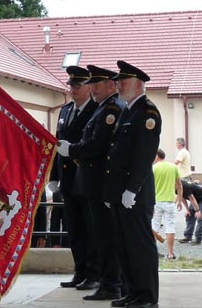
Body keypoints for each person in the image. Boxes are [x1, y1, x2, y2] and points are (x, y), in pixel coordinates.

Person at [57, 65, 126, 301]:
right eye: (92, 85)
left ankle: (106, 281)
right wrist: (56, 176)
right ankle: (91, 275)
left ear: (109, 85)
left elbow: (96, 145)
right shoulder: (72, 110)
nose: (92, 89)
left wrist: (72, 150)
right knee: (81, 232)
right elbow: (60, 145)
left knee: (102, 235)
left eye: (95, 85)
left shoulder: (108, 109)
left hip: (98, 181)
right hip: (79, 180)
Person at [104, 60, 162, 308]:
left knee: (140, 246)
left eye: (122, 82)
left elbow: (144, 154)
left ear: (138, 85)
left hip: (135, 193)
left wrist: (131, 189)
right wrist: (112, 191)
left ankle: (148, 297)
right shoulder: (128, 110)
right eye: (117, 82)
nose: (118, 86)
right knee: (125, 246)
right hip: (120, 192)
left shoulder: (148, 112)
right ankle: (133, 292)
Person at [49, 66, 99, 289]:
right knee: (74, 229)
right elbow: (57, 144)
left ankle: (94, 273)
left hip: (86, 179)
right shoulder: (66, 111)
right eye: (71, 86)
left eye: (77, 86)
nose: (73, 90)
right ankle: (80, 271)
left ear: (89, 88)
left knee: (91, 229)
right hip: (68, 181)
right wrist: (54, 176)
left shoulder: (97, 111)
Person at [152, 149, 183, 260]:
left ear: (157, 156)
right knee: (170, 227)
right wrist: (179, 200)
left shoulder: (153, 168)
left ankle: (153, 252)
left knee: (154, 226)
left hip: (156, 202)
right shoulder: (173, 167)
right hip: (170, 202)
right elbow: (179, 186)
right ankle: (170, 254)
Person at [178, 180, 202, 245]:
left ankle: (198, 239)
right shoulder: (175, 187)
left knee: (200, 217)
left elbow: (191, 198)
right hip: (195, 199)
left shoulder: (184, 186)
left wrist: (197, 211)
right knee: (189, 216)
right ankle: (188, 237)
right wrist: (187, 210)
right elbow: (182, 198)